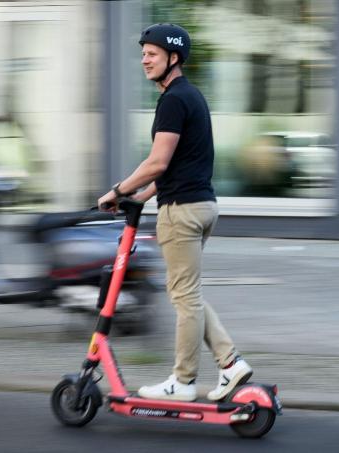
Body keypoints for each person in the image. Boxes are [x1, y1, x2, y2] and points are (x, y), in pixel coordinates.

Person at [97, 23, 252, 402]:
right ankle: (231, 364)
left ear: (173, 57)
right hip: (202, 205)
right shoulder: (192, 96)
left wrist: (117, 190)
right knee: (188, 294)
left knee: (184, 296)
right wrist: (141, 198)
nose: (144, 60)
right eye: (143, 54)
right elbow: (174, 167)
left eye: (152, 54)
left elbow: (157, 162)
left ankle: (182, 381)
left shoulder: (172, 100)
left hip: (181, 212)